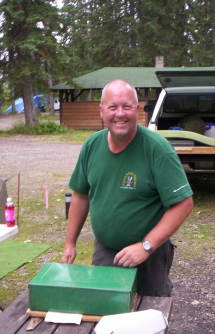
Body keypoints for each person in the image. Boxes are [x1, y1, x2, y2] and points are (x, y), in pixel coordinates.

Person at [62, 79, 193, 296]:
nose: (120, 114)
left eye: (127, 107)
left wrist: (146, 246)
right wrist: (70, 243)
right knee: (106, 309)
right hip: (106, 251)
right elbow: (80, 195)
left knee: (148, 314)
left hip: (149, 254)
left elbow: (183, 204)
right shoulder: (91, 146)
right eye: (112, 107)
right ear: (101, 111)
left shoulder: (157, 149)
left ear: (138, 110)